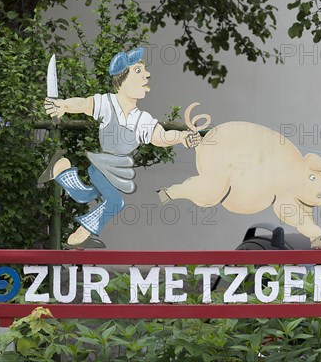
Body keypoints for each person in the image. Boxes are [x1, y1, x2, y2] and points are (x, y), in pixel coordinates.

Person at [39, 47, 201, 248]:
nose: (147, 75)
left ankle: (61, 170)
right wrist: (63, 105)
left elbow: (161, 137)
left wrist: (182, 137)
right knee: (115, 202)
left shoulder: (142, 119)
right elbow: (83, 104)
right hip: (102, 165)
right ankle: (80, 235)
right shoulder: (108, 103)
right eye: (138, 71)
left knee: (86, 194)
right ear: (121, 80)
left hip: (118, 169)